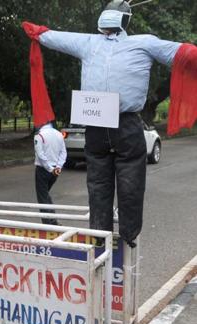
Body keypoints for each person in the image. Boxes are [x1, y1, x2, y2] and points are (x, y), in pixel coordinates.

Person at [22, 0, 196, 247]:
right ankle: (125, 234)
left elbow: (54, 37)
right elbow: (182, 53)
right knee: (126, 181)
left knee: (100, 183)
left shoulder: (90, 43)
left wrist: (39, 32)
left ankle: (102, 236)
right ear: (126, 20)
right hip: (116, 125)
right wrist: (40, 33)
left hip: (102, 126)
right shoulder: (141, 42)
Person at [33, 122, 66, 225]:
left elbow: (40, 154)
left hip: (43, 169)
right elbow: (63, 152)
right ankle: (53, 219)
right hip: (55, 170)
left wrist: (49, 168)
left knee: (42, 197)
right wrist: (58, 167)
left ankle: (48, 223)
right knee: (45, 194)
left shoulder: (39, 135)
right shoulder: (59, 134)